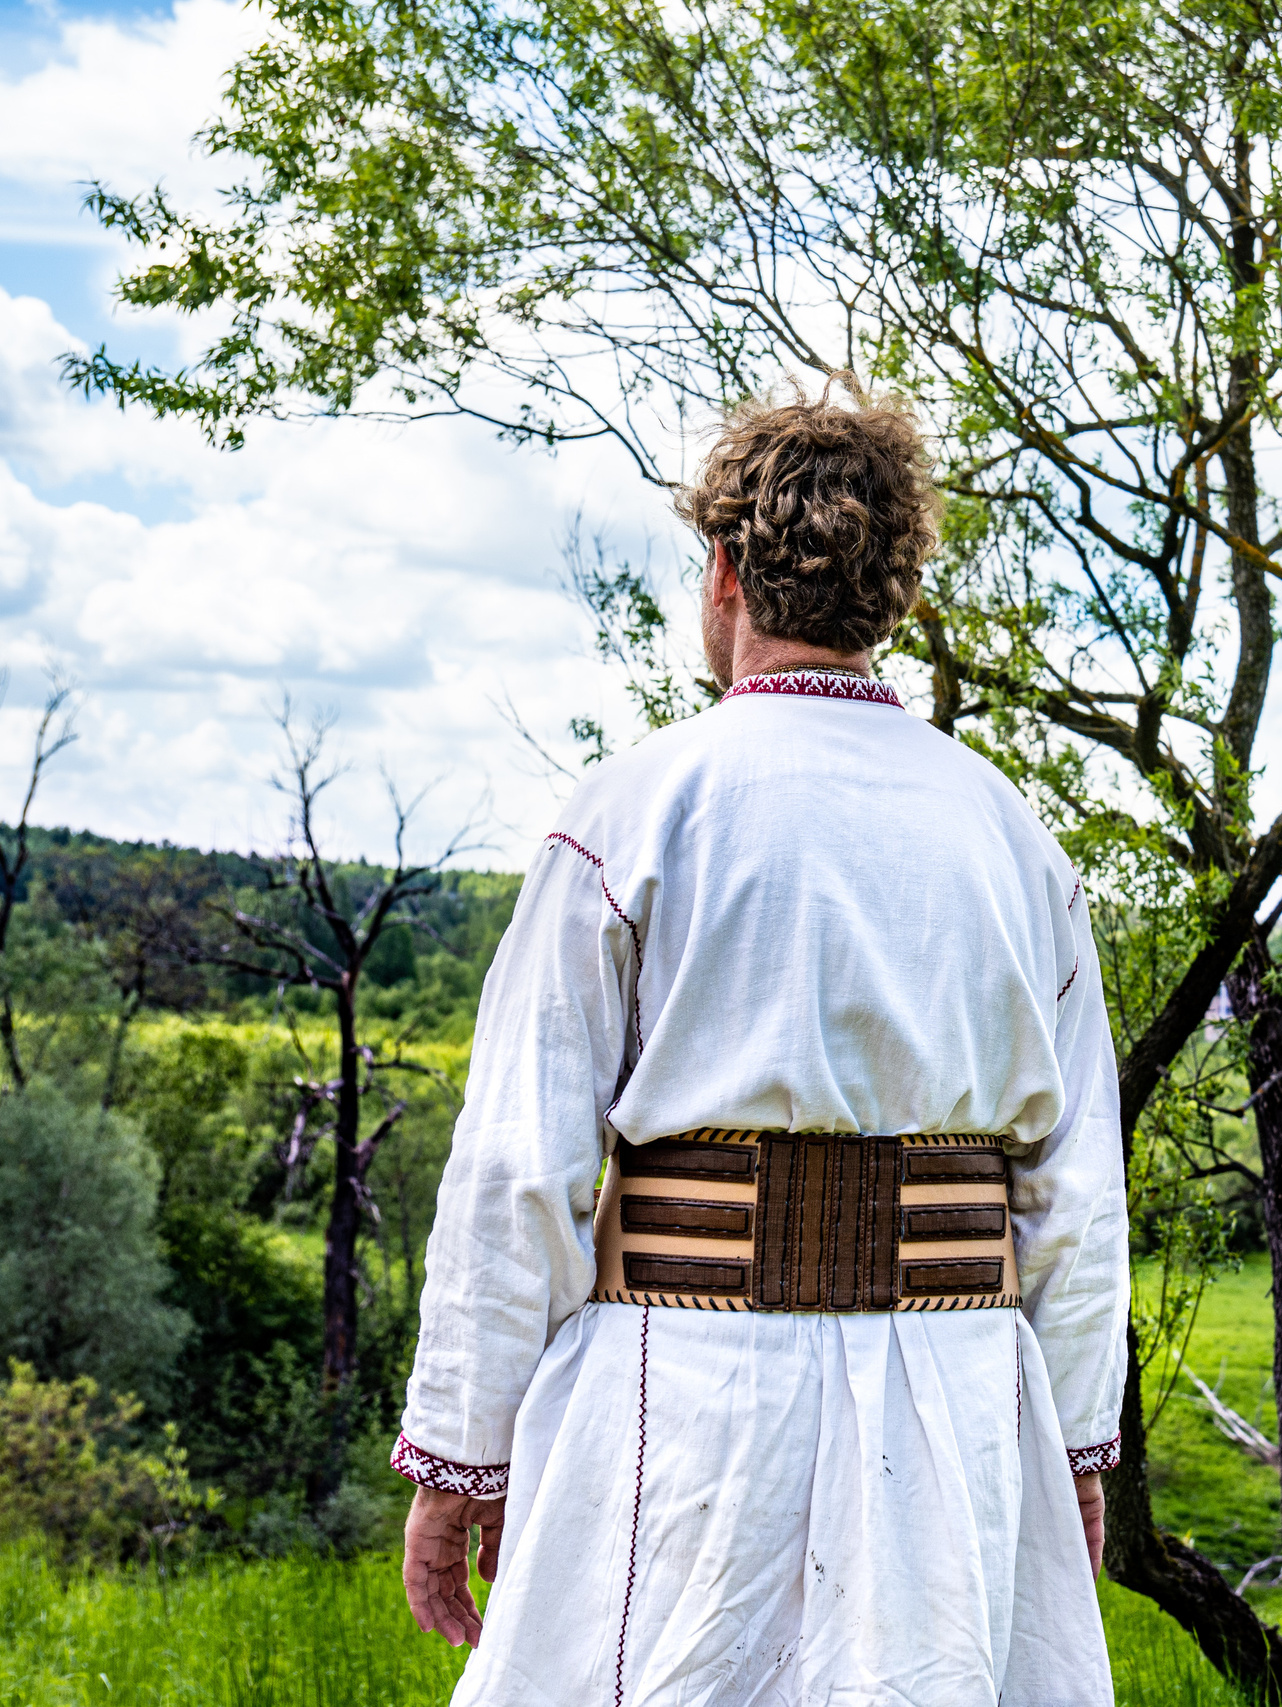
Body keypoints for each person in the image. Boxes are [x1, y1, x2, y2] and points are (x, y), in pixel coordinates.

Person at [388, 379, 1128, 1707]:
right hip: (952, 1421)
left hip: (684, 1412)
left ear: (724, 571)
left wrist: (463, 1455)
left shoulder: (634, 812)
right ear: (896, 592)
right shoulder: (1018, 844)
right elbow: (1077, 1208)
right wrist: (1073, 1449)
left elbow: (518, 1170)